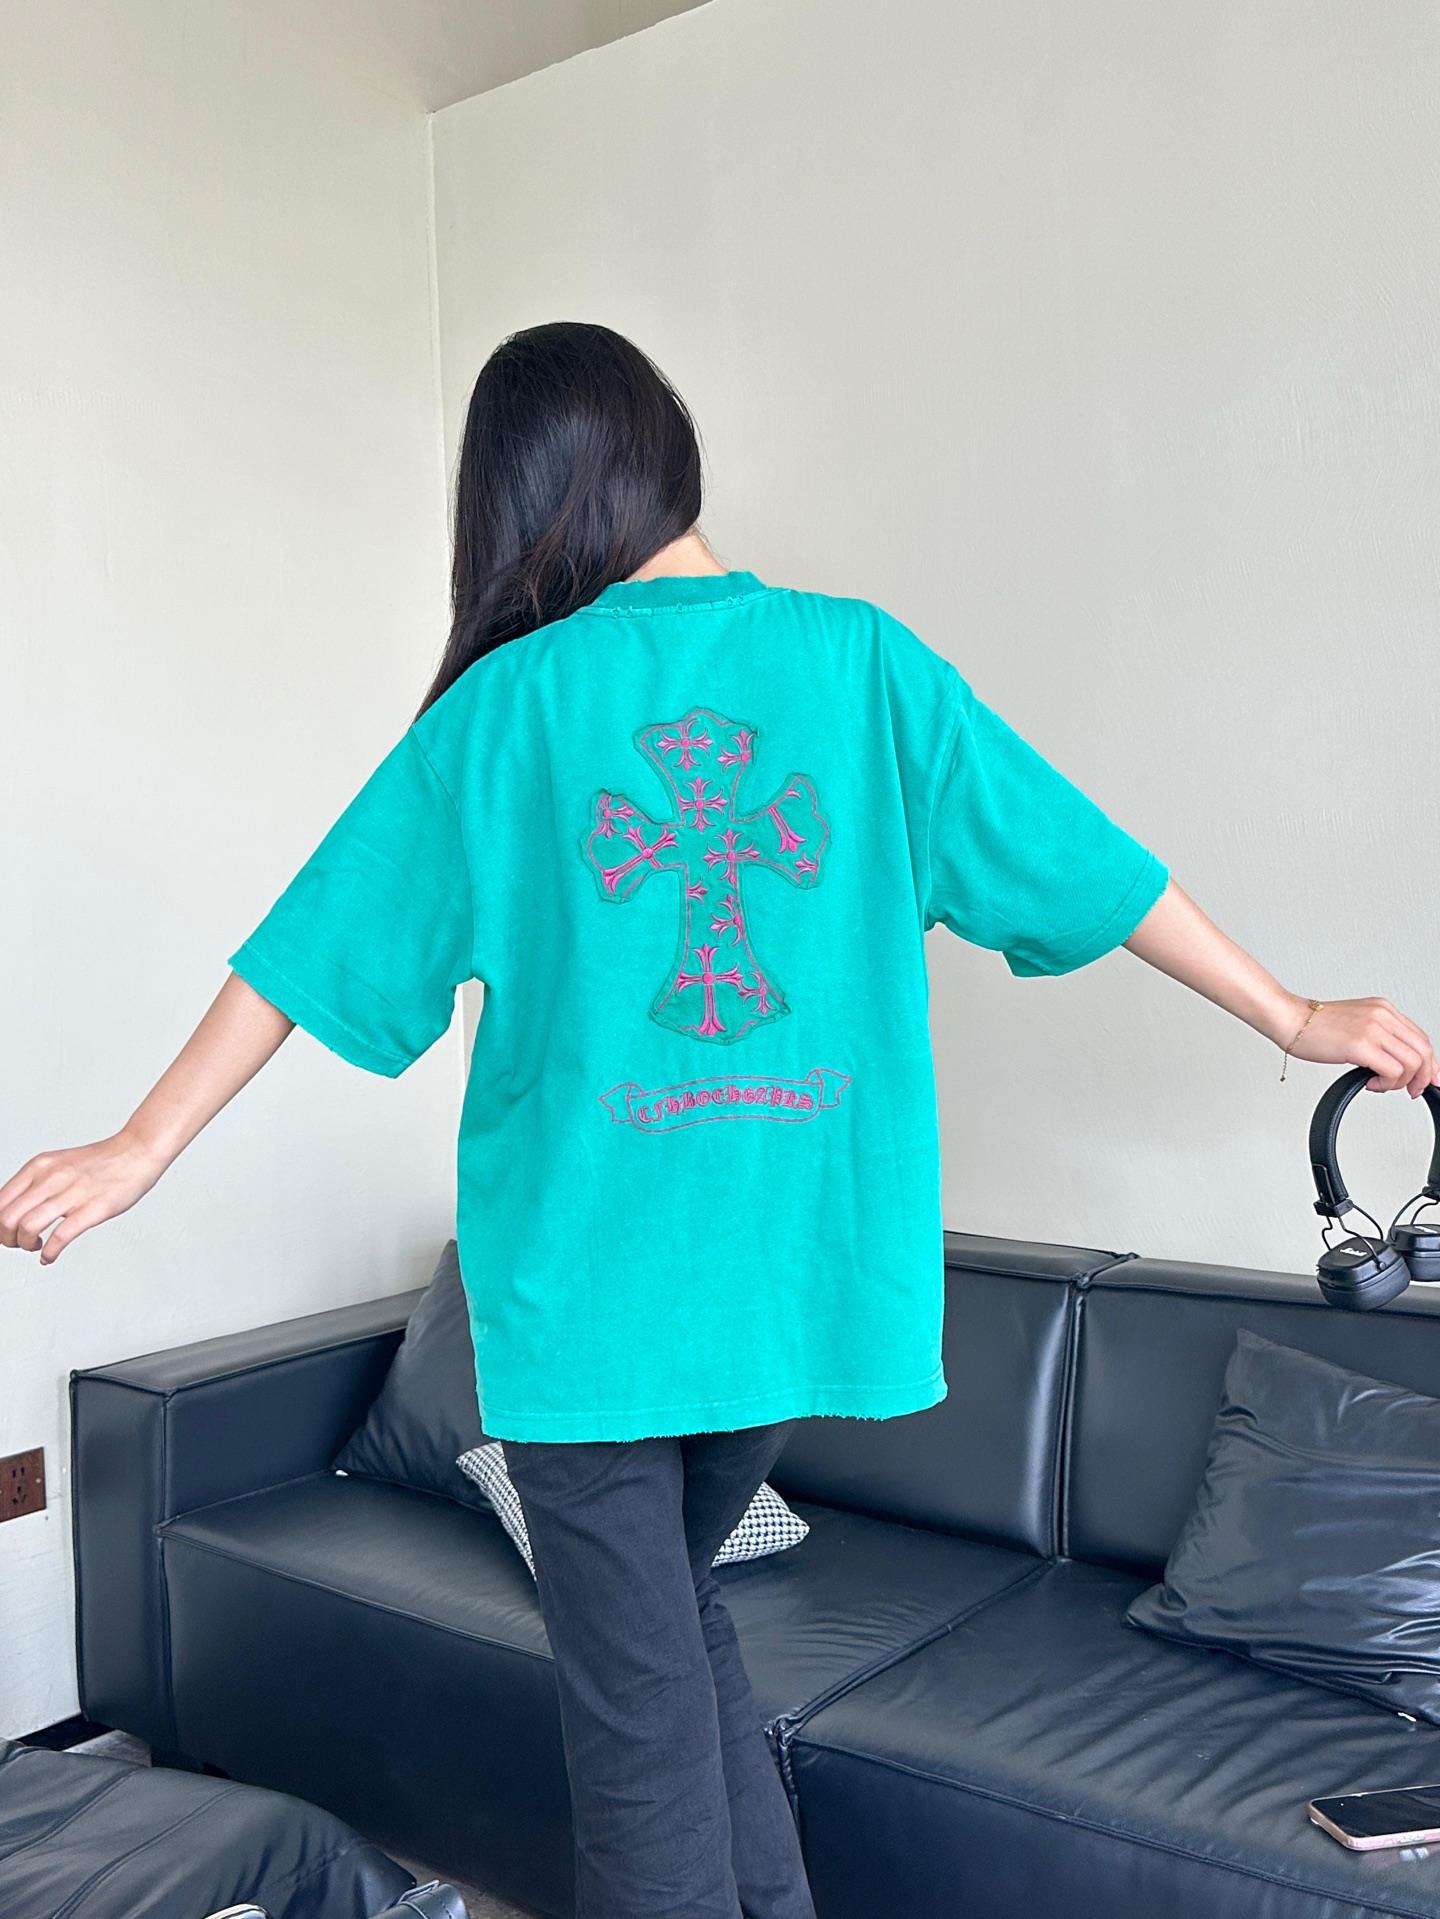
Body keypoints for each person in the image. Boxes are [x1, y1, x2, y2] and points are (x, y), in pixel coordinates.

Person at [2, 321, 1435, 1919]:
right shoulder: (862, 662)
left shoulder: (507, 710)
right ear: (665, 455)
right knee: (672, 1634)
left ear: (514, 498)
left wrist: (139, 1146)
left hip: (587, 1312)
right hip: (790, 1295)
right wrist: (1291, 1015)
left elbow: (308, 953)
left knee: (634, 1735)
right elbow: (1086, 865)